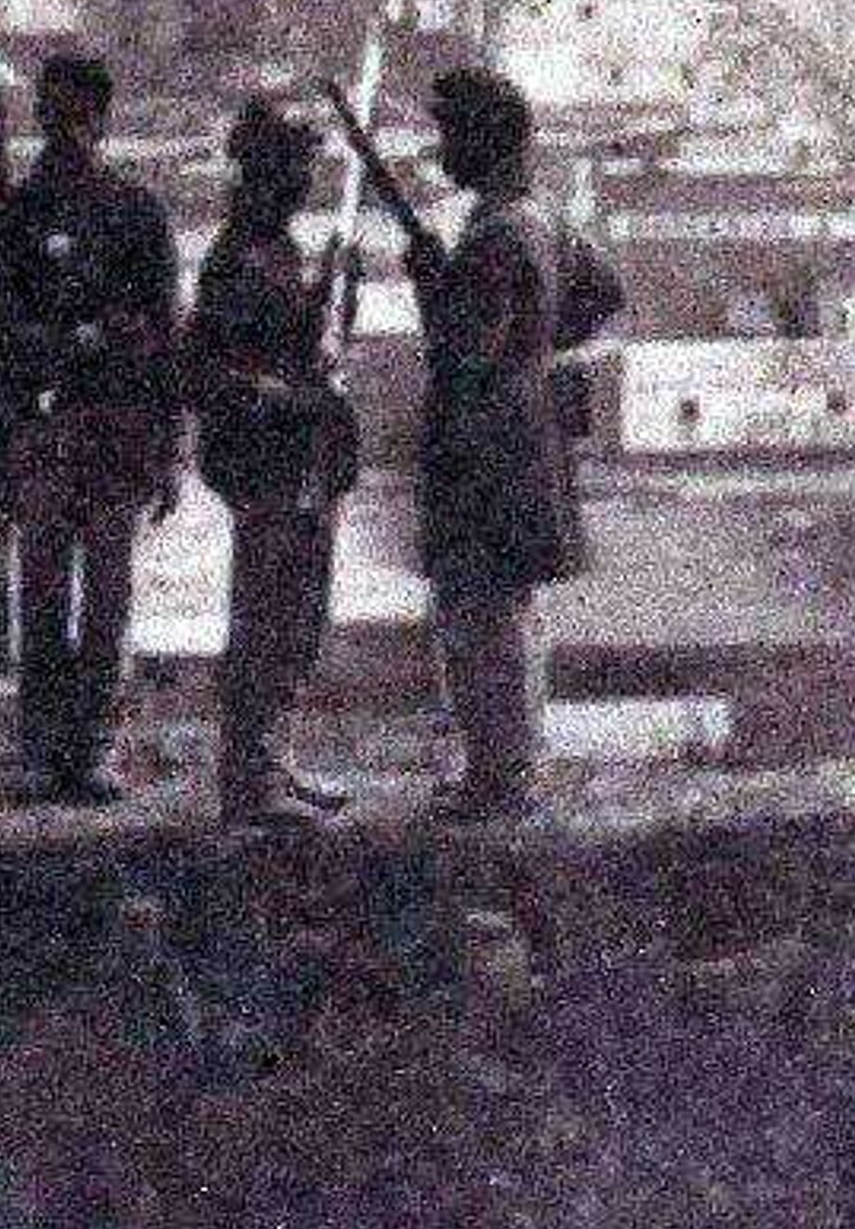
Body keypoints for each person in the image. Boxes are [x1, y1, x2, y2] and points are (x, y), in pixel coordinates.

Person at [0, 54, 182, 801]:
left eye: (75, 119)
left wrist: (169, 449)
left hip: (116, 435)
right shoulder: (15, 218)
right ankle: (42, 746)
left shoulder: (138, 213)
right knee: (44, 597)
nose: (61, 135)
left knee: (110, 602)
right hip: (42, 434)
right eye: (50, 118)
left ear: (101, 120)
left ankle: (93, 746)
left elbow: (165, 340)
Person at [406, 66, 622, 818]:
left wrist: (433, 286)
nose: (442, 150)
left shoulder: (497, 234)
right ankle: (510, 770)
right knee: (507, 610)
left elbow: (463, 350)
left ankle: (496, 780)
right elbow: (602, 294)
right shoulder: (541, 218)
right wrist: (538, 345)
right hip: (522, 437)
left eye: (452, 133)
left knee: (478, 613)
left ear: (484, 140)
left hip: (483, 449)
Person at [185, 98, 360, 827]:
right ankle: (251, 777)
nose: (303, 181)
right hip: (268, 463)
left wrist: (333, 295)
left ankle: (271, 760)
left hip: (301, 461)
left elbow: (310, 345)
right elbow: (206, 370)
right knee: (265, 619)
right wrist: (284, 393)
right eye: (293, 166)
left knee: (296, 620)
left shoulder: (281, 249)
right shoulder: (237, 258)